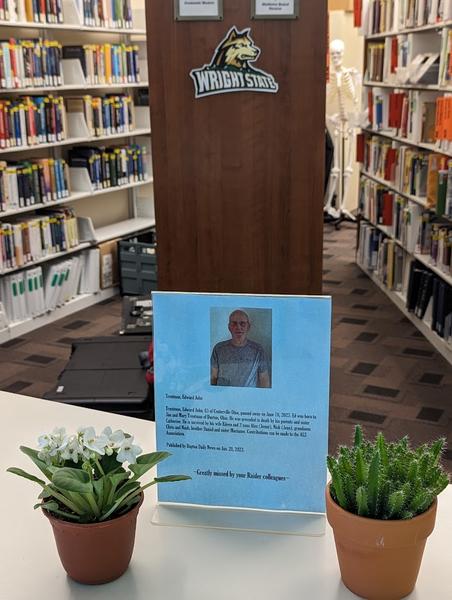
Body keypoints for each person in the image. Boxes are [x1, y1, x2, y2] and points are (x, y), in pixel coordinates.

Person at [211, 309, 270, 388]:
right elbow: (213, 377)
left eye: (242, 323)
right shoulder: (218, 349)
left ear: (248, 327)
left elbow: (264, 380)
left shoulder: (258, 350)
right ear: (229, 327)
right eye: (234, 323)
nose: (238, 327)